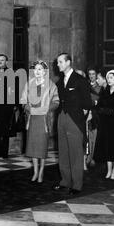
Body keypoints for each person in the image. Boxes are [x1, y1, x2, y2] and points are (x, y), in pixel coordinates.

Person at [53, 53, 93, 195]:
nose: (58, 65)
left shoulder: (80, 80)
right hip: (62, 118)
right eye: (58, 62)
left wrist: (79, 115)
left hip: (74, 120)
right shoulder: (59, 81)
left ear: (68, 62)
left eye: (60, 62)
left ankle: (76, 184)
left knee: (75, 153)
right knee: (63, 152)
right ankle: (65, 182)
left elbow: (88, 102)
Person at [21, 61, 59, 184]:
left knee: (41, 147)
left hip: (43, 120)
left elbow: (56, 101)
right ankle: (35, 171)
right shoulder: (29, 84)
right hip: (32, 119)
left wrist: (46, 108)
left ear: (45, 71)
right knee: (32, 147)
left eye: (40, 69)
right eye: (35, 69)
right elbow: (23, 101)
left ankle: (42, 171)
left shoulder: (51, 85)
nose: (37, 72)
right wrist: (28, 108)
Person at [0, 54, 16, 159]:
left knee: (5, 129)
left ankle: (4, 153)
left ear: (6, 62)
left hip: (6, 106)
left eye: (3, 60)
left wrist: (14, 104)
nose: (0, 62)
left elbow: (14, 90)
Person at [85, 67, 102, 169]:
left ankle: (91, 157)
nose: (91, 76)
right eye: (90, 74)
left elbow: (99, 102)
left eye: (93, 74)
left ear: (96, 75)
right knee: (86, 137)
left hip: (95, 115)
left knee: (93, 137)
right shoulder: (85, 85)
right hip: (85, 113)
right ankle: (87, 156)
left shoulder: (100, 87)